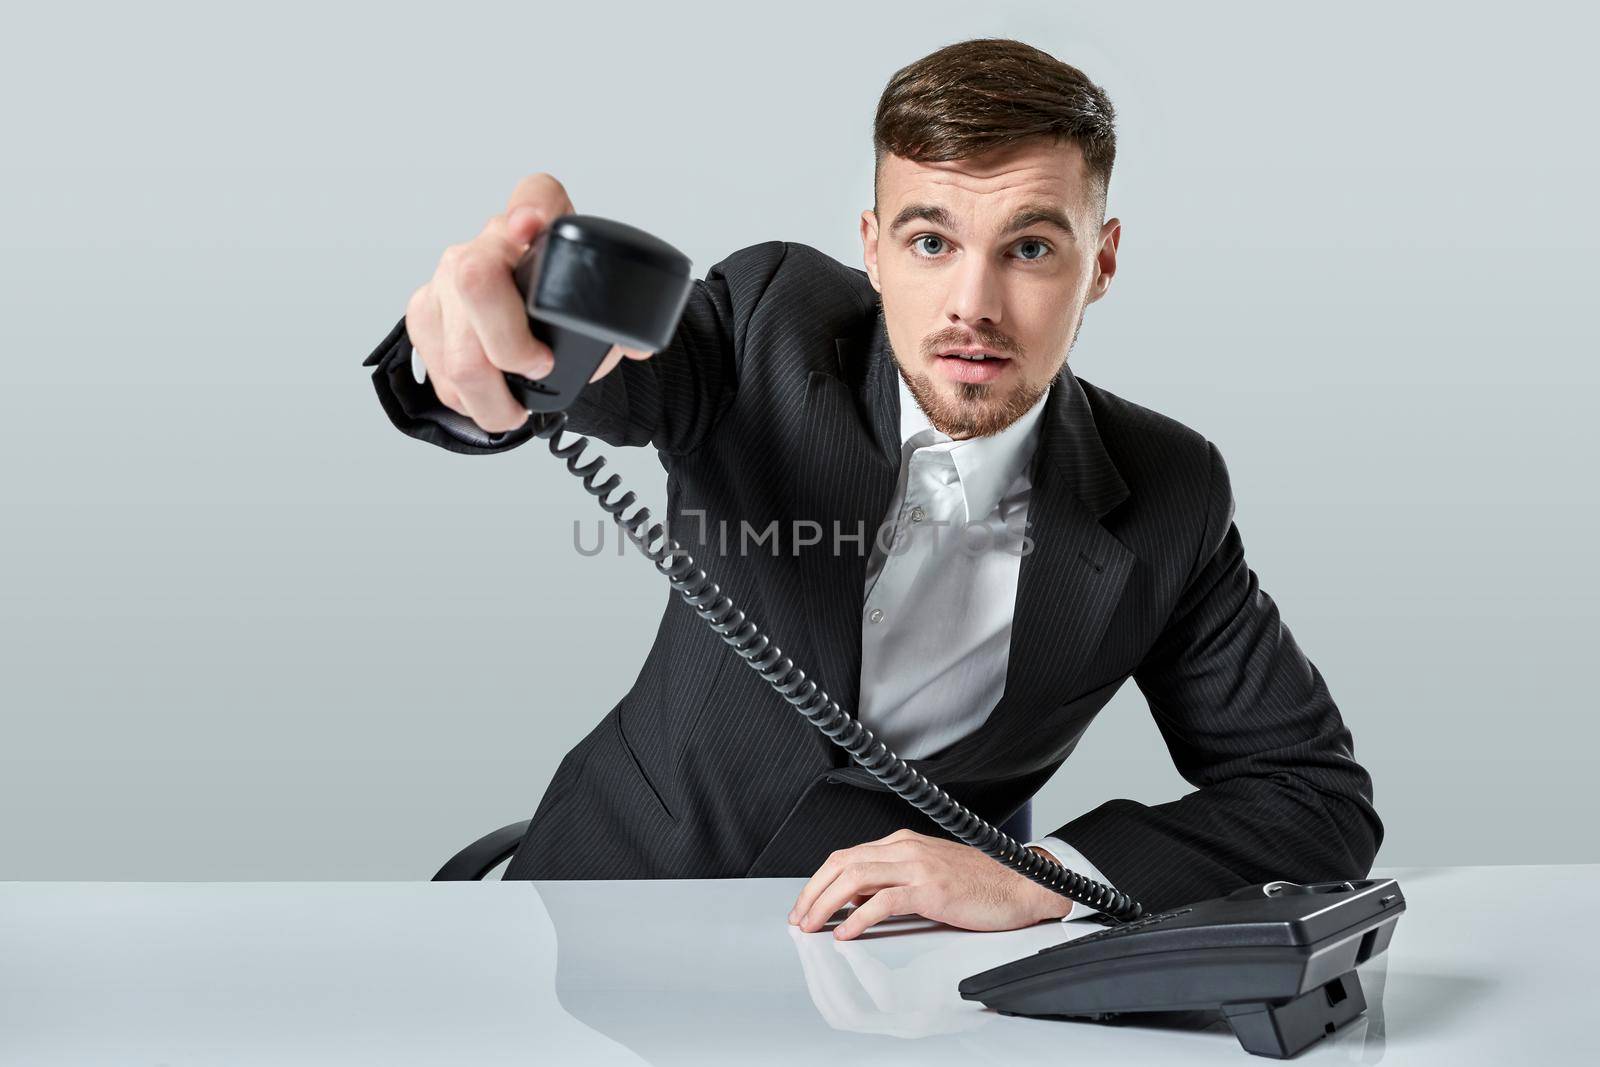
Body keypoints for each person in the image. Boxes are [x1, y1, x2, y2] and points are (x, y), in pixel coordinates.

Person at [362, 37, 1381, 940]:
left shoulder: (1169, 489)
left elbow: (1312, 794)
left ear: (1100, 260)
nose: (971, 305)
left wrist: (1042, 876)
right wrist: (491, 360)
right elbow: (613, 378)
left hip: (896, 985)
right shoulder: (772, 324)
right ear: (872, 246)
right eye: (930, 241)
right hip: (596, 909)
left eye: (1028, 247)